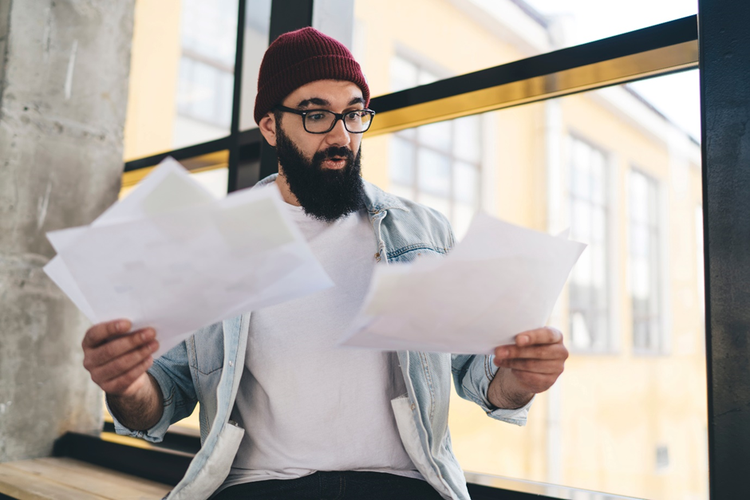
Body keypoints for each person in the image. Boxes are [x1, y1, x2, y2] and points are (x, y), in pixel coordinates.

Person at [81, 27, 568, 500]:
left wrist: (520, 381)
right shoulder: (217, 242)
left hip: (403, 487)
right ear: (271, 126)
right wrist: (125, 383)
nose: (341, 136)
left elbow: (478, 377)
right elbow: (159, 399)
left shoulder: (423, 232)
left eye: (354, 114)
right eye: (316, 115)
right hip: (261, 487)